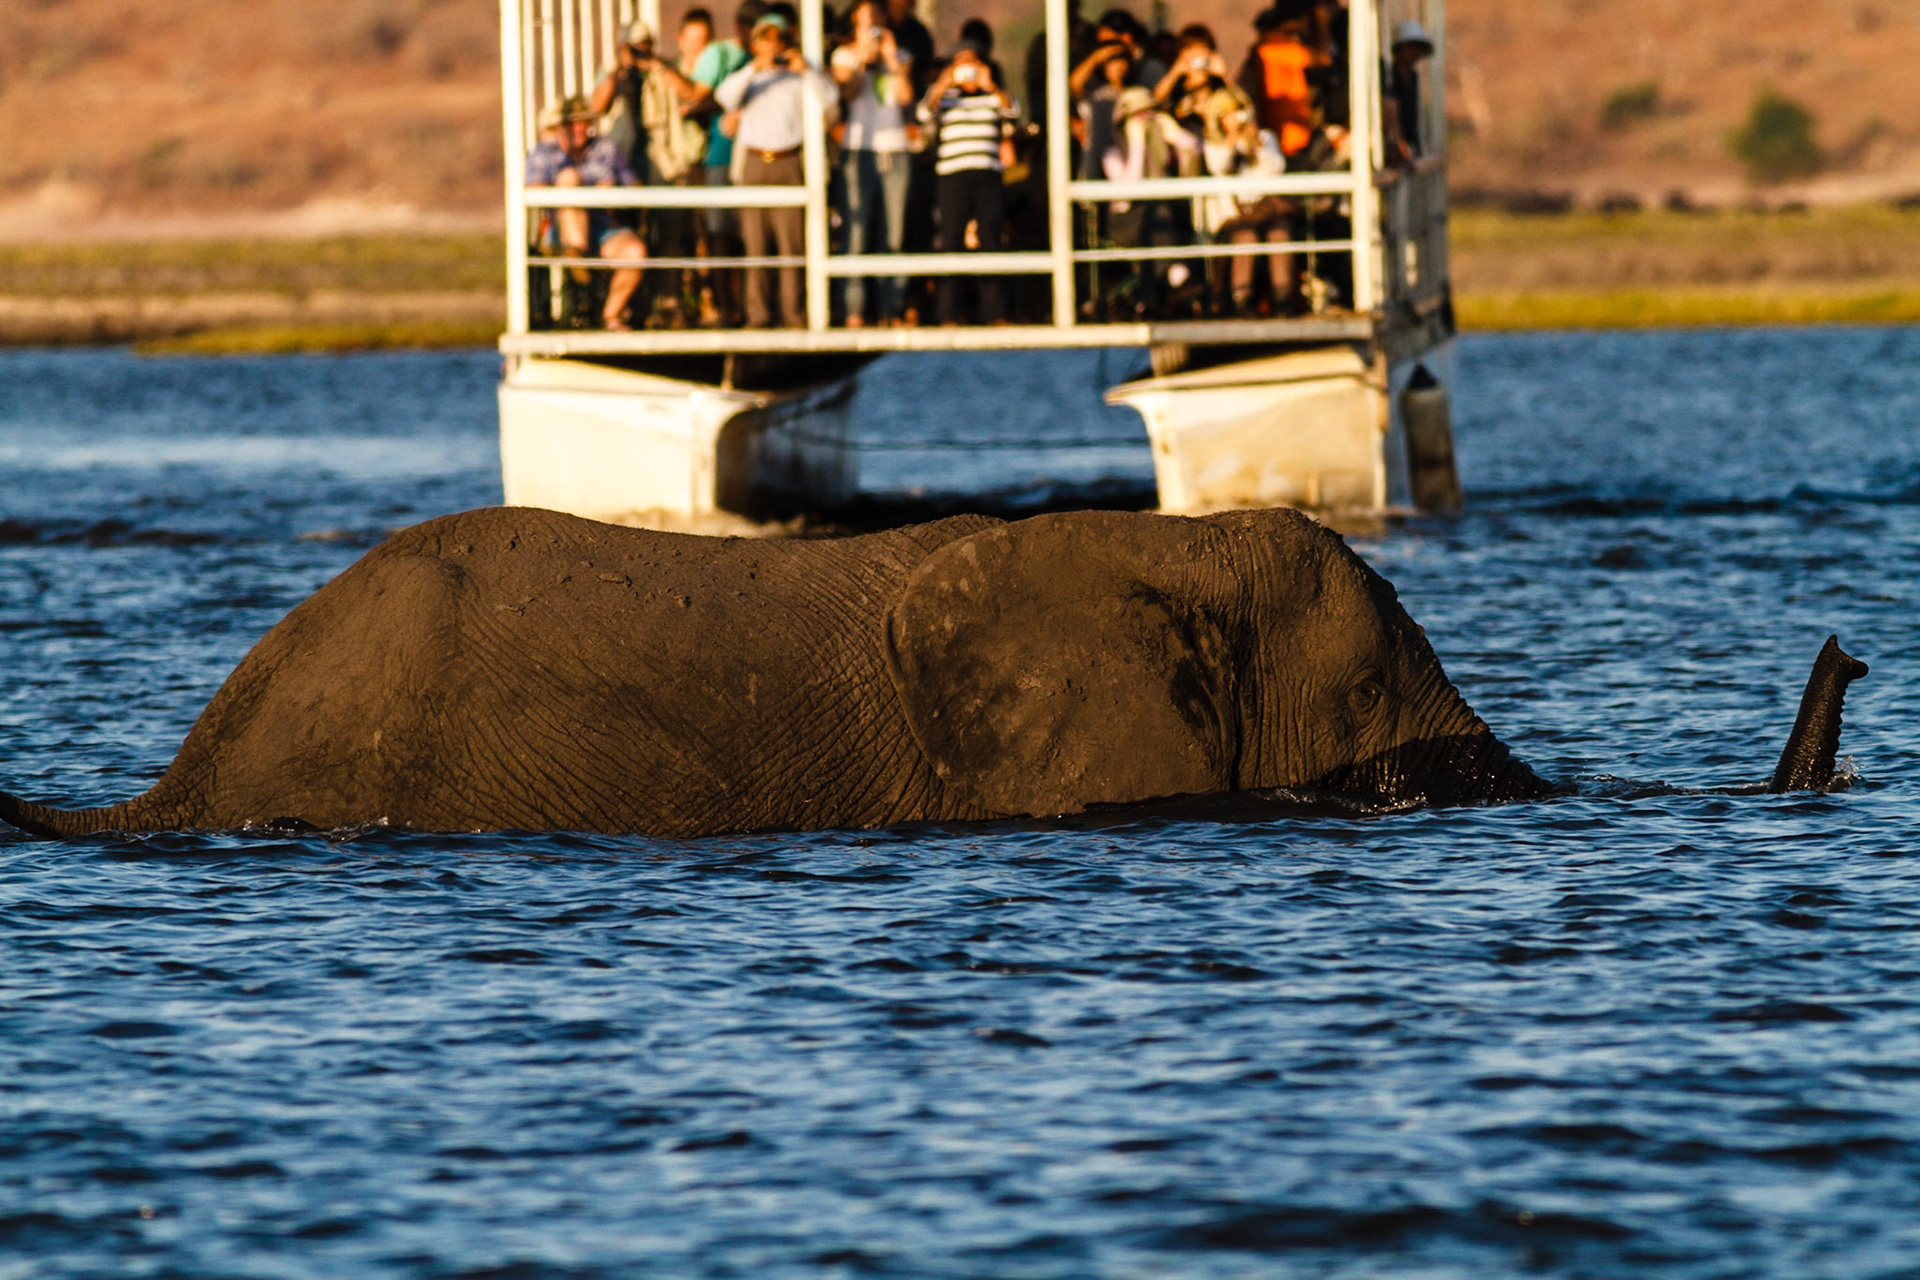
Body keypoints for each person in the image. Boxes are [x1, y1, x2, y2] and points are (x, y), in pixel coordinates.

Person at [714, 12, 838, 328]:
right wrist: (755, 67)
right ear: (755, 43)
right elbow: (723, 97)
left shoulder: (798, 77)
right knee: (754, 245)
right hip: (755, 163)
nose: (772, 45)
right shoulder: (748, 77)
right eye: (765, 38)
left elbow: (830, 99)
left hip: (789, 161)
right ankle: (758, 315)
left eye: (777, 38)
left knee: (791, 246)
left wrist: (807, 71)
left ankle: (794, 314)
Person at [524, 94, 648, 331]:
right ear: (560, 126)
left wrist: (612, 191)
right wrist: (580, 188)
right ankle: (579, 269)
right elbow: (534, 188)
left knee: (635, 251)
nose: (578, 128)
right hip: (559, 232)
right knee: (568, 179)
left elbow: (634, 186)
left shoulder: (606, 148)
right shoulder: (544, 152)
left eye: (584, 122)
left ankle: (610, 315)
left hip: (603, 228)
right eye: (571, 123)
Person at [919, 35, 1019, 325]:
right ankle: (948, 313)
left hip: (988, 173)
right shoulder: (946, 98)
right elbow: (922, 113)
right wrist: (941, 85)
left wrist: (992, 87)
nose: (968, 69)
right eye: (961, 63)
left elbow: (1015, 114)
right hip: (952, 176)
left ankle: (995, 312)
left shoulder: (992, 96)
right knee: (951, 240)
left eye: (973, 62)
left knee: (990, 238)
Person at [830, 0, 915, 326]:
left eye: (876, 20)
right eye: (865, 22)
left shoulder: (901, 55)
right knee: (857, 230)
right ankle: (853, 309)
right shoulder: (844, 57)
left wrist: (891, 59)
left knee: (894, 233)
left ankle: (890, 307)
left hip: (895, 148)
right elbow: (848, 93)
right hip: (859, 149)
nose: (872, 27)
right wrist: (862, 62)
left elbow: (905, 97)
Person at [688, 2, 759, 325]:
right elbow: (700, 98)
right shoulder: (724, 56)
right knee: (718, 235)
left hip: (751, 159)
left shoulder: (759, 62)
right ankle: (722, 307)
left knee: (747, 236)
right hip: (720, 155)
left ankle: (745, 307)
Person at [1238, 1, 1327, 166]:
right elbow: (1323, 58)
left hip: (1283, 135)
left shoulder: (1265, 51)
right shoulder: (1276, 49)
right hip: (1289, 139)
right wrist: (1320, 23)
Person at [1384, 17, 1434, 166]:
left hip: (1407, 148)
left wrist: (1413, 147)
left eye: (1418, 47)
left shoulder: (1413, 78)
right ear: (1400, 48)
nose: (1415, 52)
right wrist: (1398, 143)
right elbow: (1390, 110)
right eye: (1411, 46)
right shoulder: (1388, 75)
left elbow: (1411, 117)